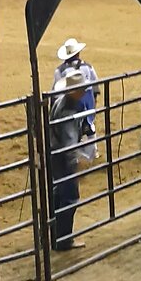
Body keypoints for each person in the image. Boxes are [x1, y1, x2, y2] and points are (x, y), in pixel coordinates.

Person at [49, 68, 89, 251]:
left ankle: (54, 236)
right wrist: (74, 163)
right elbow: (69, 142)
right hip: (63, 157)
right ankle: (64, 240)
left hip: (53, 152)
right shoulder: (69, 111)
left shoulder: (58, 102)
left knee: (57, 194)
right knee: (70, 196)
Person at [53, 38, 99, 160]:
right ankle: (93, 150)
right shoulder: (88, 67)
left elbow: (57, 92)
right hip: (87, 102)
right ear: (78, 53)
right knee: (90, 124)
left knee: (68, 129)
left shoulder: (60, 71)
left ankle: (72, 156)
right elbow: (95, 87)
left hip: (70, 104)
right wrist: (93, 104)